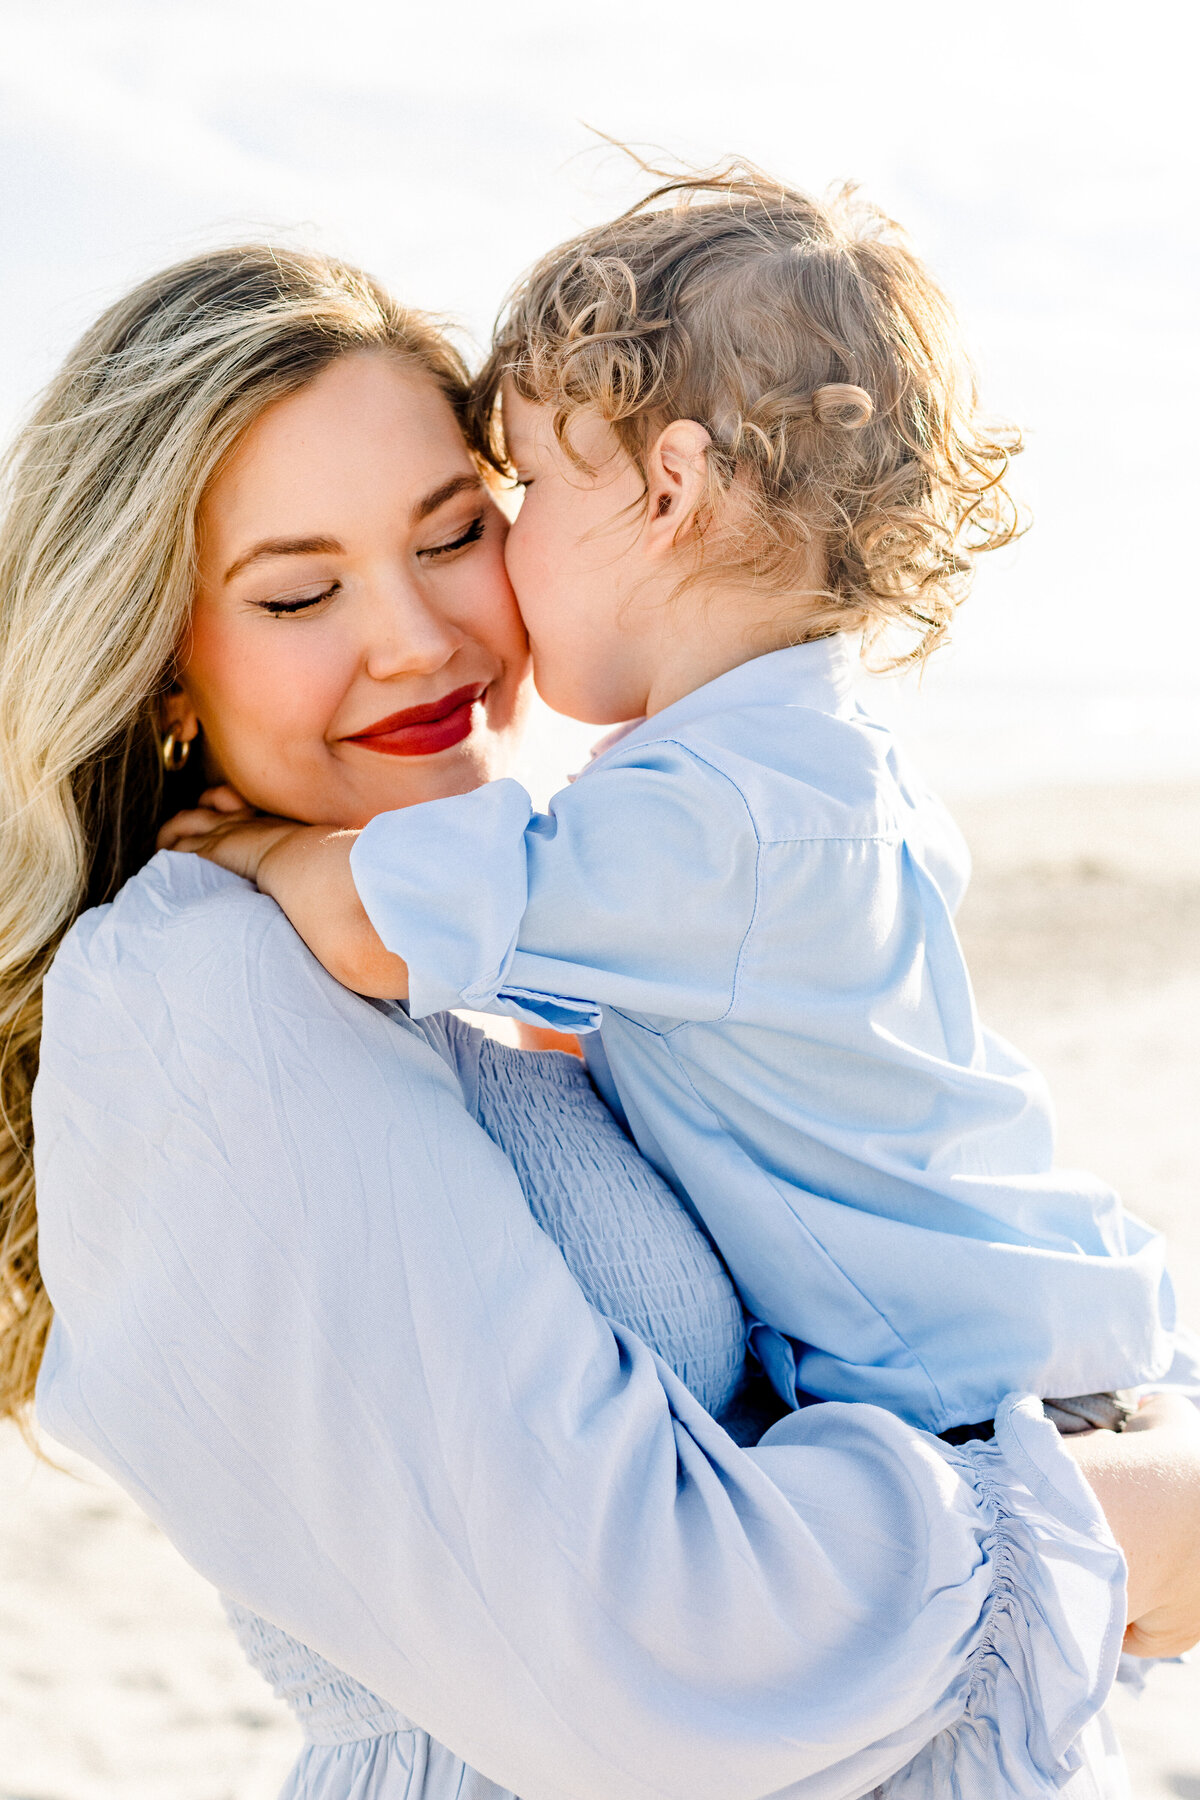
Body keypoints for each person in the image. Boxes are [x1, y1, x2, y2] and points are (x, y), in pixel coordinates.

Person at [2, 245, 1197, 1800]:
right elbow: (659, 1658)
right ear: (161, 660)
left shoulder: (516, 948)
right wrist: (1131, 1520)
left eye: (456, 536)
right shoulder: (201, 992)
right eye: (299, 591)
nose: (420, 639)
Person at [179, 167, 1171, 1441]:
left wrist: (247, 841)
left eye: (524, 490)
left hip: (985, 1407)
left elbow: (380, 923)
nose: (509, 547)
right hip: (1036, 1354)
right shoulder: (796, 763)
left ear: (667, 491)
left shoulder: (716, 819)